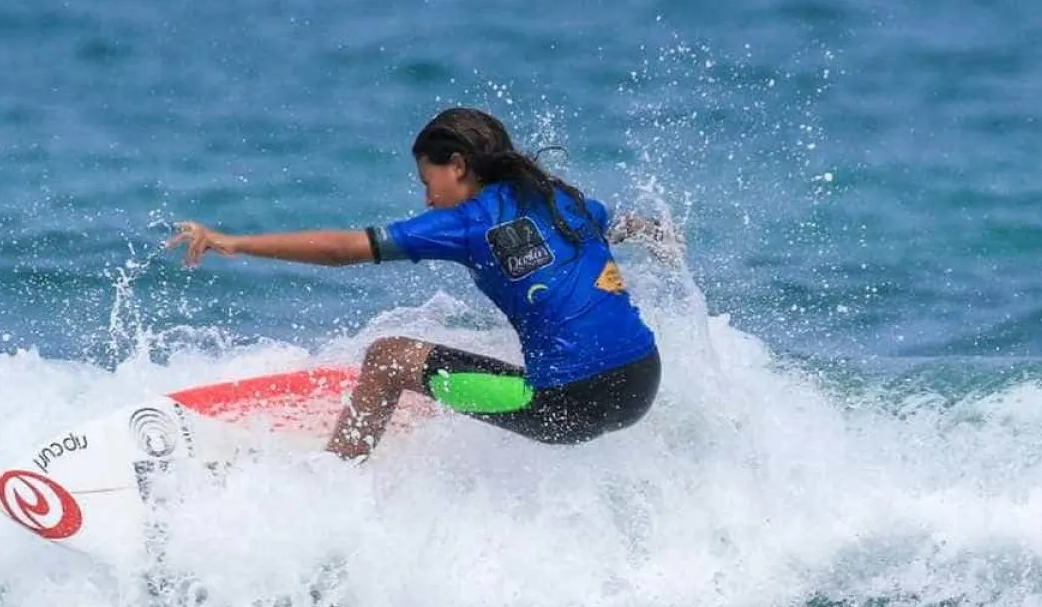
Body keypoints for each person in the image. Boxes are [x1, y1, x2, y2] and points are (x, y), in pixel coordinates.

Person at [165, 107, 673, 460]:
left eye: (428, 182)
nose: (428, 199)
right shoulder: (561, 198)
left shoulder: (468, 221)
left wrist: (235, 242)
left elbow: (344, 249)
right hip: (641, 381)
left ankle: (332, 483)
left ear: (458, 166)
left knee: (389, 359)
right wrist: (661, 234)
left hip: (566, 405)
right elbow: (625, 225)